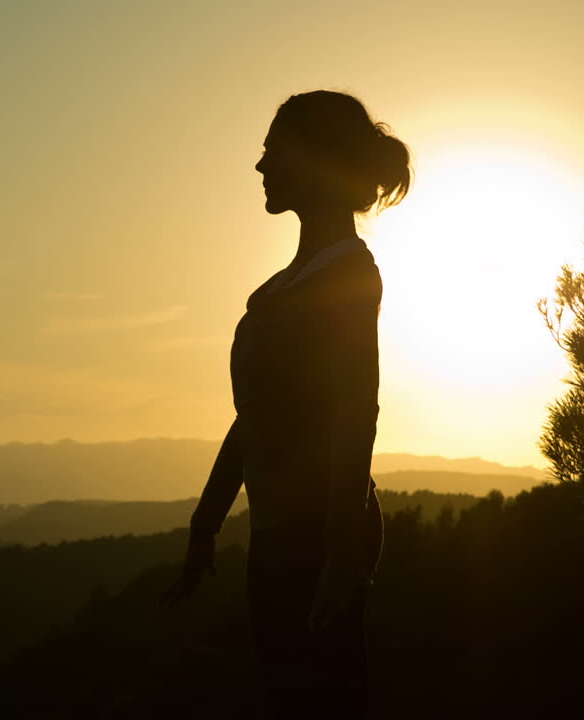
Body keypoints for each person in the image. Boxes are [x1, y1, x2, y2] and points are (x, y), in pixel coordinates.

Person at [160, 90, 412, 718]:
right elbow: (255, 419)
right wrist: (205, 523)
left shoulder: (350, 276)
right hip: (277, 537)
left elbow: (359, 412)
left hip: (316, 539)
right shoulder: (277, 290)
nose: (261, 165)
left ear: (316, 158)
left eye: (274, 148)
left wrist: (342, 548)